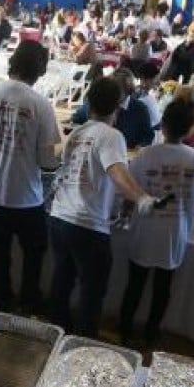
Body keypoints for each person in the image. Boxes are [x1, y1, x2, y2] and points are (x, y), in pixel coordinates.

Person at [49, 77, 156, 338]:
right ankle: (82, 344)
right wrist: (142, 198)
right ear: (118, 106)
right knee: (92, 291)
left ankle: (55, 335)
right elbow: (117, 172)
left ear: (89, 103)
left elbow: (56, 155)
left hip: (59, 218)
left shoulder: (77, 132)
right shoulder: (111, 135)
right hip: (87, 225)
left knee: (62, 282)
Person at [0, 41, 60, 313]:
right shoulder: (40, 105)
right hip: (25, 196)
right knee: (34, 252)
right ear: (40, 70)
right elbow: (47, 162)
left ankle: (2, 299)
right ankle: (29, 299)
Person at [119, 99, 194, 345]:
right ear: (189, 127)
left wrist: (126, 211)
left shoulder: (147, 154)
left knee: (134, 286)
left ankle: (124, 330)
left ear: (165, 125)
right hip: (175, 233)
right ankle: (151, 334)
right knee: (162, 290)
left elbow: (130, 191)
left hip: (144, 230)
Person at [72, 68, 154, 150]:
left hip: (126, 154)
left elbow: (148, 135)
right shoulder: (103, 100)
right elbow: (77, 118)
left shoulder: (140, 108)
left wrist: (141, 145)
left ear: (128, 91)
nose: (112, 93)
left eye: (117, 90)